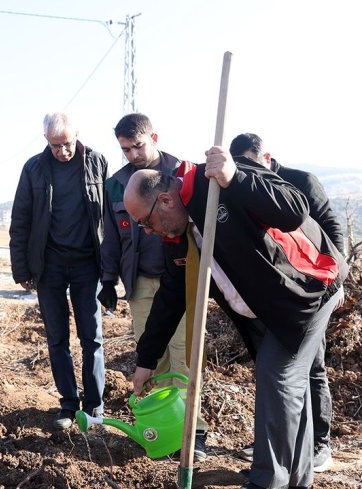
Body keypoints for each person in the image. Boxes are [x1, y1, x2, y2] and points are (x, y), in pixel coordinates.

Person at [126, 147, 347, 489]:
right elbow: (171, 295)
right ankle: (296, 479)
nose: (148, 231)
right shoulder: (178, 234)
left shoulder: (219, 178)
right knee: (288, 386)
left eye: (146, 222)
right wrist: (147, 359)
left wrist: (237, 179)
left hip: (308, 290)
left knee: (278, 377)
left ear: (166, 200)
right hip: (265, 310)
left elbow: (294, 210)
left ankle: (266, 482)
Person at [229, 132, 344, 473]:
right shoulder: (243, 185)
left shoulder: (300, 182)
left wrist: (337, 282)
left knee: (313, 367)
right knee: (274, 371)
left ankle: (319, 444)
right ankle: (281, 442)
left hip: (312, 290)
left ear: (266, 157)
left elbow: (332, 229)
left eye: (252, 165)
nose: (248, 173)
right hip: (275, 294)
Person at [99, 113, 209, 459]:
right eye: (125, 149)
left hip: (179, 276)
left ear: (154, 137)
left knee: (182, 355)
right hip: (140, 280)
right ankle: (167, 428)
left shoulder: (178, 174)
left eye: (138, 146)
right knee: (153, 353)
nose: (132, 154)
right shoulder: (116, 184)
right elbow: (111, 238)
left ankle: (194, 431)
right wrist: (107, 279)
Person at [9, 112, 108, 430]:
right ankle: (68, 405)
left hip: (87, 265)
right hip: (48, 266)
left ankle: (94, 408)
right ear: (46, 141)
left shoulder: (97, 162)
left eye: (66, 144)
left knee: (91, 337)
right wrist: (21, 267)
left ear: (77, 135)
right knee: (57, 338)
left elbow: (110, 217)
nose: (62, 151)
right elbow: (20, 220)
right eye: (55, 146)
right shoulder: (33, 169)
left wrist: (111, 268)